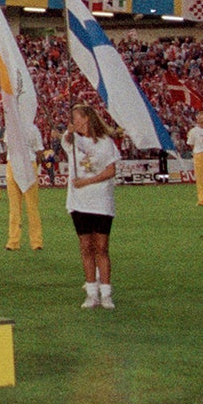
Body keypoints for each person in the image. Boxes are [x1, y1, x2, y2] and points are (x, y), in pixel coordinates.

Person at [64, 103, 122, 310]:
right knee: (86, 248)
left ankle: (106, 292)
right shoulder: (70, 140)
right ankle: (91, 292)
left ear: (87, 118)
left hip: (100, 202)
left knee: (102, 248)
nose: (73, 121)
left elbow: (110, 170)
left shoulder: (105, 143)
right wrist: (69, 133)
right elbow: (70, 140)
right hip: (79, 203)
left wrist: (87, 182)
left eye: (76, 117)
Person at [5, 131, 45, 253]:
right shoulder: (12, 126)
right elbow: (39, 151)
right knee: (15, 205)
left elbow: (39, 151)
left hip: (24, 163)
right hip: (16, 163)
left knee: (30, 205)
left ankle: (34, 241)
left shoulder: (32, 128)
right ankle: (14, 240)